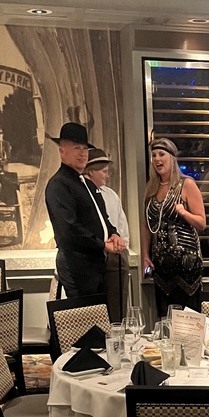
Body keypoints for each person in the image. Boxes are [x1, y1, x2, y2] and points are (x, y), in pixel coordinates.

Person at [45, 122, 126, 300]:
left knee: (100, 311)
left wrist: (114, 234)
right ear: (62, 151)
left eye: (85, 148)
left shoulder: (87, 184)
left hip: (97, 264)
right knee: (85, 312)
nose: (82, 153)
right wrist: (103, 245)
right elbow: (69, 229)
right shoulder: (58, 185)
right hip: (76, 264)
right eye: (76, 148)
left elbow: (103, 219)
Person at [141, 137, 206, 317]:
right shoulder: (151, 188)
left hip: (186, 265)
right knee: (165, 317)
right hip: (161, 267)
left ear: (172, 158)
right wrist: (145, 255)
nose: (157, 159)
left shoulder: (187, 184)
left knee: (187, 318)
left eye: (161, 154)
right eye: (154, 155)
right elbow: (146, 226)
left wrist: (184, 213)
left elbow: (202, 223)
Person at [84, 147, 130, 322]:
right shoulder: (81, 195)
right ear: (91, 171)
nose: (107, 176)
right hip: (92, 259)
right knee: (93, 312)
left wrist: (120, 246)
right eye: (104, 171)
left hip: (114, 259)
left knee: (116, 312)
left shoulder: (110, 195)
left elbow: (121, 227)